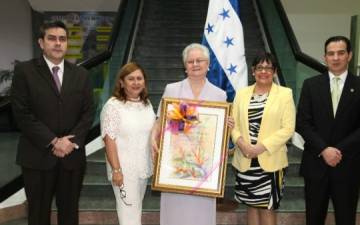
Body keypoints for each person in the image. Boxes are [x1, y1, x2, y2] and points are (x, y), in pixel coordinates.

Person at [10, 21, 94, 225]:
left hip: (71, 157)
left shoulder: (81, 74)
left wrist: (68, 142)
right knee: (38, 215)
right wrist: (53, 141)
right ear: (41, 42)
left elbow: (88, 112)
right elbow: (21, 113)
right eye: (52, 38)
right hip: (37, 156)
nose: (58, 43)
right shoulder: (25, 71)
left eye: (62, 39)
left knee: (69, 214)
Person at [296, 36, 360, 225]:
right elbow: (302, 123)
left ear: (349, 55)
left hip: (348, 165)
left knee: (346, 219)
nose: (335, 58)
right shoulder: (311, 85)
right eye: (331, 54)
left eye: (341, 53)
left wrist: (338, 150)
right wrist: (324, 150)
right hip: (316, 165)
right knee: (314, 219)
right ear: (324, 57)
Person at [151, 43, 232, 225]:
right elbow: (159, 121)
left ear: (208, 64)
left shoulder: (219, 95)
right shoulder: (172, 90)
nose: (195, 64)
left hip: (204, 171)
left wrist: (229, 125)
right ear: (185, 66)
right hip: (175, 167)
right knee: (174, 215)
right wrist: (152, 138)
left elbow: (219, 131)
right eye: (190, 61)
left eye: (200, 60)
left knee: (201, 216)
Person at [231, 52, 295, 225]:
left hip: (270, 160)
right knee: (251, 205)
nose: (264, 71)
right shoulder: (241, 94)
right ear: (253, 71)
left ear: (274, 71)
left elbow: (288, 128)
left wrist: (259, 148)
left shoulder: (285, 94)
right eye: (260, 67)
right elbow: (233, 125)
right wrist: (243, 145)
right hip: (245, 159)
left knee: (267, 207)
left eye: (268, 68)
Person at [100, 62, 155, 225]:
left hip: (142, 168)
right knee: (128, 215)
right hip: (123, 171)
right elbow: (109, 139)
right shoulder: (113, 106)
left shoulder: (147, 104)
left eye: (139, 78)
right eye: (131, 79)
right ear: (122, 83)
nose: (136, 82)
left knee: (135, 211)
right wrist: (116, 170)